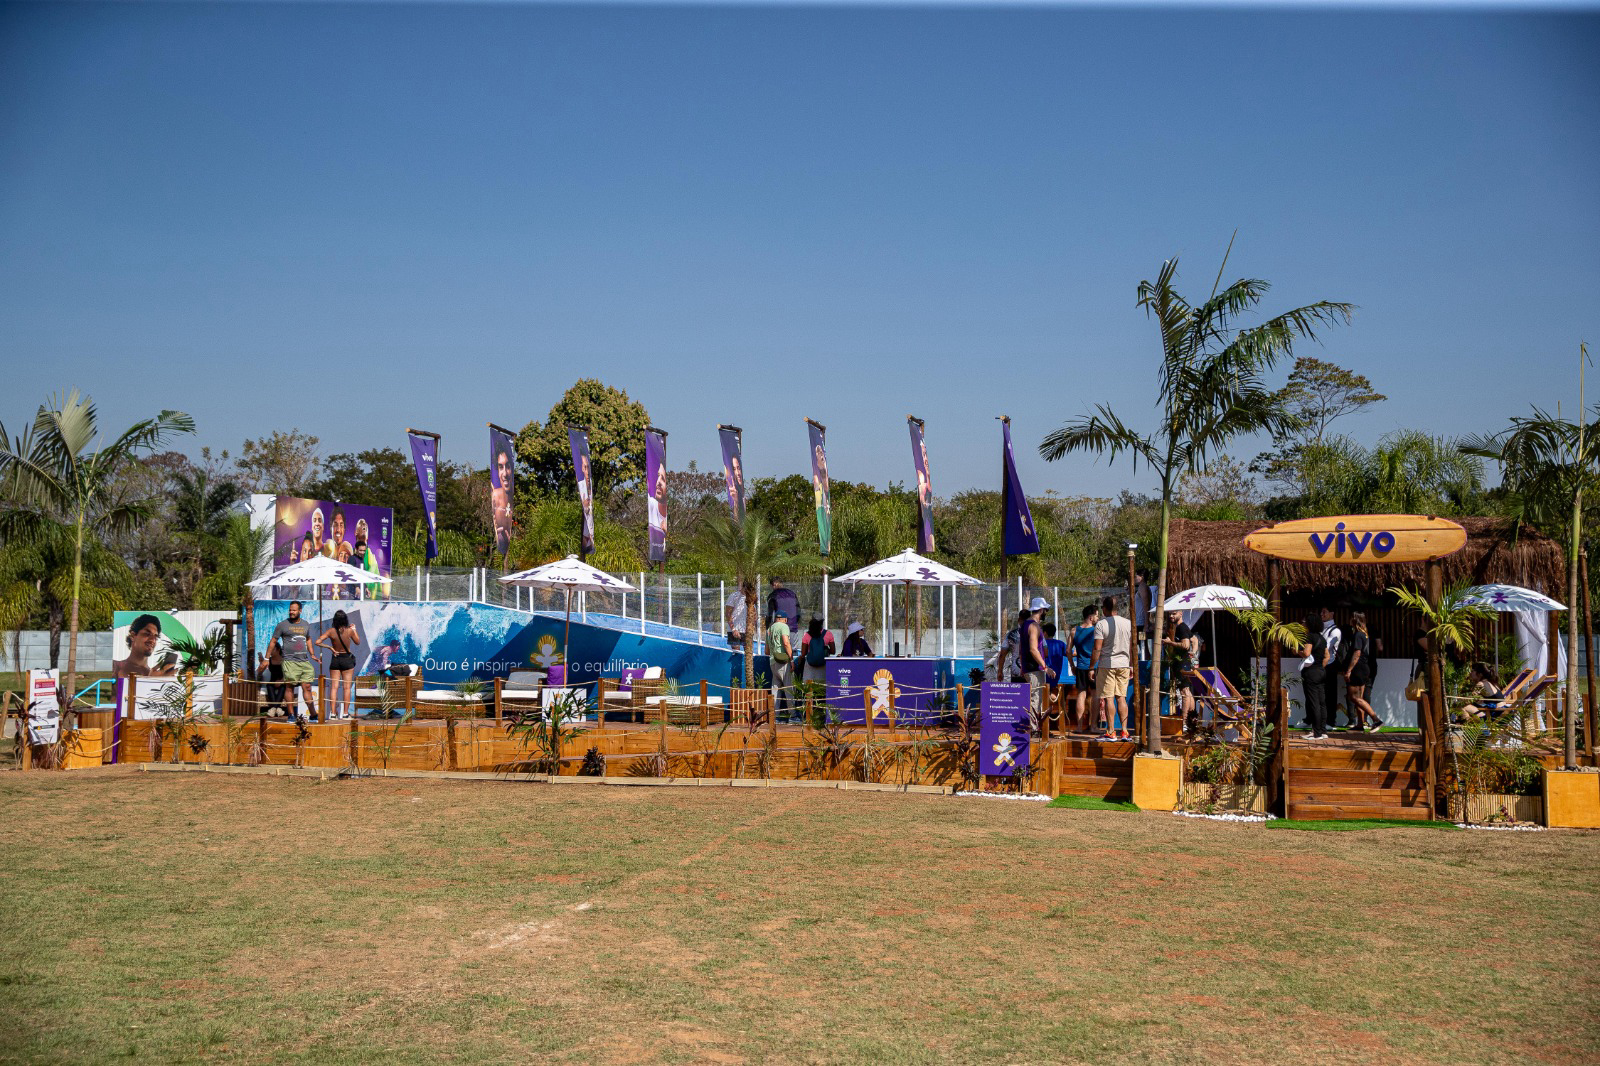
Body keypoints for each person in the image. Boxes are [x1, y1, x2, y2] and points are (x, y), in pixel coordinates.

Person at [1092, 596, 1133, 741]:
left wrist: (1092, 667)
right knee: (1121, 697)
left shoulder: (1101, 624)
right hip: (1124, 664)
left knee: (1109, 698)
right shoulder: (1128, 623)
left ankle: (1111, 732)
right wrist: (1131, 664)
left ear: (1104, 609)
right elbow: (1131, 646)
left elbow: (1097, 648)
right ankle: (1124, 731)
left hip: (1107, 665)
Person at [270, 601, 317, 721]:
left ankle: (313, 714)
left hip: (304, 661)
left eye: (294, 610)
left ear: (300, 611)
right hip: (289, 661)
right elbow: (273, 641)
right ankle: (291, 715)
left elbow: (308, 639)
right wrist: (266, 658)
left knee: (307, 687)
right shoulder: (282, 625)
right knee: (290, 687)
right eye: (290, 610)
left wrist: (312, 654)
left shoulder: (306, 624)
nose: (291, 612)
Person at [314, 609, 361, 721]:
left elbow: (317, 642)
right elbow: (358, 642)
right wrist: (354, 629)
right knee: (346, 688)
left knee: (334, 687)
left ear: (335, 620)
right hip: (347, 660)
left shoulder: (331, 631)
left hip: (335, 659)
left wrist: (330, 648)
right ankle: (345, 714)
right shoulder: (349, 631)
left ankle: (333, 714)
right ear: (345, 620)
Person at [1343, 611, 1384, 731]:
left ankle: (1376, 719)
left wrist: (1349, 670)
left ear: (1355, 620)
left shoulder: (1358, 635)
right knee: (1359, 697)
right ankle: (1360, 723)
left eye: (1351, 618)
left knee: (1354, 697)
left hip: (1357, 669)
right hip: (1363, 668)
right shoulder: (1364, 634)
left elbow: (1357, 653)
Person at [1017, 597, 1055, 727]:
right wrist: (1045, 667)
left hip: (1028, 668)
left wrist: (1022, 667)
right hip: (1034, 669)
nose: (1046, 612)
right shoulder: (1033, 626)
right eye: (1046, 610)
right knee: (1036, 699)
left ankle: (1034, 728)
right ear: (1041, 610)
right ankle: (1033, 730)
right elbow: (1033, 649)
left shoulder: (1024, 625)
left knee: (1035, 698)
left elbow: (1021, 649)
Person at [1161, 609, 1198, 729]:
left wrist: (1170, 643)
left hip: (1182, 664)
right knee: (1188, 692)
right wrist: (1193, 653)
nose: (1171, 616)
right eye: (1170, 614)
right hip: (1185, 662)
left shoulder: (1182, 628)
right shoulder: (1183, 627)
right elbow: (1195, 640)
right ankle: (1192, 721)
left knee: (1185, 692)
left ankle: (1184, 722)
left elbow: (1186, 645)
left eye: (1174, 613)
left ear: (1181, 613)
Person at [114, 613, 178, 679]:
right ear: (133, 636)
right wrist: (150, 680)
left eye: (156, 637)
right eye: (147, 634)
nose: (153, 640)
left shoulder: (156, 675)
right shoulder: (115, 666)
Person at [1299, 612, 1331, 740]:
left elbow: (1306, 653)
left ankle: (1316, 733)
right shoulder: (1321, 638)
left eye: (1304, 622)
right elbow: (1327, 656)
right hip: (1321, 672)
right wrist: (1319, 667)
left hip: (1311, 673)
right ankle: (1322, 731)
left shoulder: (1309, 637)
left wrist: (1296, 651)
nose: (1303, 624)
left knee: (1313, 702)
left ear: (1309, 624)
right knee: (1321, 702)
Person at [1071, 604, 1100, 733]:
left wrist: (1072, 665)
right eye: (1097, 615)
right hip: (1095, 667)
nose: (1097, 618)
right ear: (1091, 616)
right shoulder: (1096, 631)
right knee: (1095, 695)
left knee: (1081, 695)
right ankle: (1093, 726)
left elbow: (1068, 650)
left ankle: (1079, 727)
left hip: (1080, 667)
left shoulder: (1074, 631)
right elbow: (1098, 649)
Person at [1042, 622, 1071, 729]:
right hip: (1055, 676)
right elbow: (1070, 653)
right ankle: (1060, 711)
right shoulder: (1060, 644)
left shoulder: (1041, 644)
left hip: (1043, 675)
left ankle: (1045, 722)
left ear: (1044, 633)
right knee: (1050, 694)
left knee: (1042, 697)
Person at [1320, 606, 1345, 729]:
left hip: (1330, 665)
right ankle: (1321, 720)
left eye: (1324, 611)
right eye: (1321, 612)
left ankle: (1331, 721)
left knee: (1330, 694)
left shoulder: (1335, 630)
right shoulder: (1322, 628)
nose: (1322, 614)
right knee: (1321, 694)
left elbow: (1326, 646)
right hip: (1321, 664)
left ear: (1332, 613)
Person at [766, 611, 794, 719]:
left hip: (772, 662)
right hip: (783, 662)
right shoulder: (784, 626)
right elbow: (786, 643)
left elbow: (766, 651)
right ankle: (793, 715)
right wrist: (791, 660)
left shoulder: (769, 629)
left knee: (775, 689)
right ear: (785, 619)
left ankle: (774, 716)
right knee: (789, 688)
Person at [492, 446, 515, 557]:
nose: (505, 474)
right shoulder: (495, 497)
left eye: (508, 467)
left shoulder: (515, 497)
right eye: (501, 467)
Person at [996, 609, 1030, 683]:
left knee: (1017, 693)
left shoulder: (1011, 635)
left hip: (1016, 671)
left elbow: (1002, 655)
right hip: (1032, 671)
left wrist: (1000, 671)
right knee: (1033, 693)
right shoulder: (1035, 633)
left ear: (1019, 620)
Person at [799, 617, 834, 684]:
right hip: (823, 664)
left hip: (810, 666)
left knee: (809, 688)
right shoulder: (828, 634)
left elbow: (803, 653)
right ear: (821, 624)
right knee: (822, 687)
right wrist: (825, 650)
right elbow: (833, 651)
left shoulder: (807, 635)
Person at [256, 644, 286, 717]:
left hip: (283, 681)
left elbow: (290, 673)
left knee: (283, 687)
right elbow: (259, 672)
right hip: (272, 681)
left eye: (272, 649)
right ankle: (277, 709)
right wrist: (261, 664)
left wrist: (281, 681)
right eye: (269, 649)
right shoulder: (269, 660)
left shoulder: (284, 660)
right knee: (269, 686)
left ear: (278, 650)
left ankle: (273, 708)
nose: (270, 651)